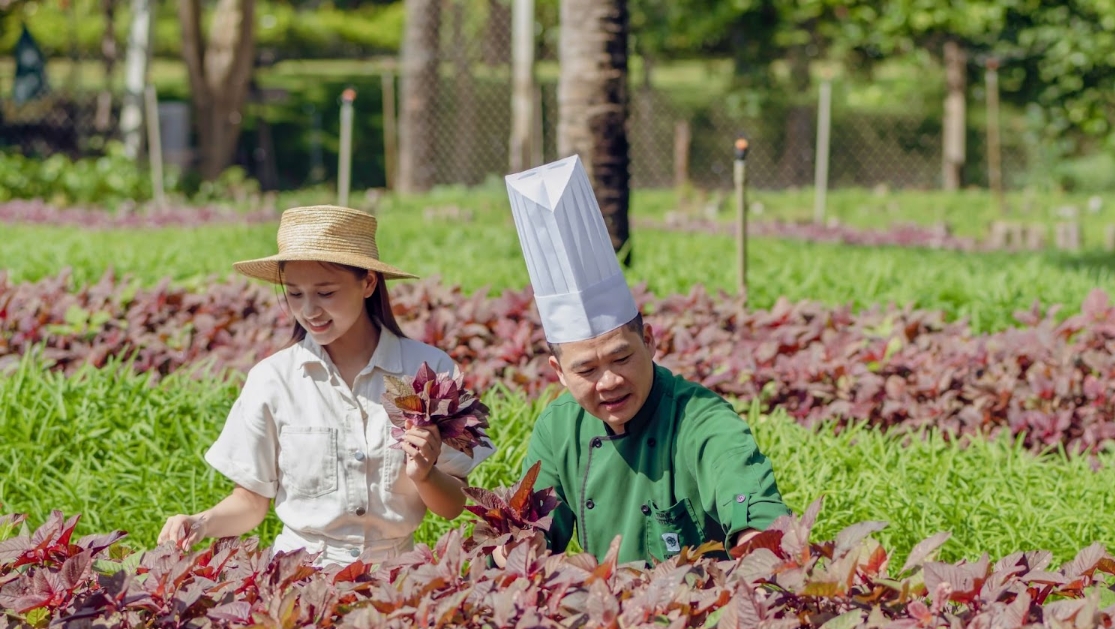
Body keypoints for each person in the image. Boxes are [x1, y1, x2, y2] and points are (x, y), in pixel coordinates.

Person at [158, 205, 492, 566]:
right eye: (295, 294)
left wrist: (426, 475)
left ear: (368, 283)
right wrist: (200, 522)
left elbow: (454, 505)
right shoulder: (273, 379)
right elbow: (251, 502)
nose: (309, 310)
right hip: (299, 577)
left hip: (396, 579)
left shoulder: (429, 372)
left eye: (326, 293)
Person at [503, 155, 790, 564]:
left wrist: (757, 538)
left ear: (650, 341)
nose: (609, 381)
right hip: (602, 599)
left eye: (621, 357)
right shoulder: (558, 429)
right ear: (559, 373)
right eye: (586, 369)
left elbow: (745, 490)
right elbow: (529, 533)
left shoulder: (700, 418)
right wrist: (513, 549)